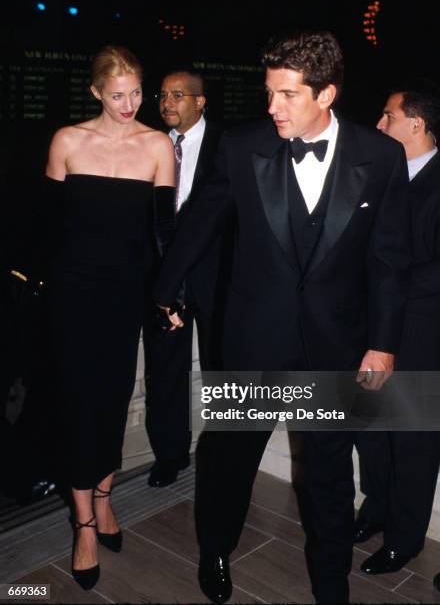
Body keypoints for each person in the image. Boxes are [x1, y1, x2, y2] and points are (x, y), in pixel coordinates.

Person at [154, 31, 411, 603]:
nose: (271, 107)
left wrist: (383, 344)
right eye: (269, 92)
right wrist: (165, 290)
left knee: (328, 475)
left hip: (337, 344)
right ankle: (215, 551)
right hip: (250, 338)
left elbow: (390, 260)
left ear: (327, 95)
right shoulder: (242, 147)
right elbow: (200, 221)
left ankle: (330, 585)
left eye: (287, 95)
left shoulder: (382, 156)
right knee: (229, 460)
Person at [45, 45, 174, 590]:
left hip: (126, 298)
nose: (129, 104)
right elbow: (46, 231)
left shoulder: (157, 145)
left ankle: (104, 500)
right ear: (96, 92)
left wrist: (170, 297)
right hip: (72, 298)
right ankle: (83, 526)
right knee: (77, 406)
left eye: (136, 93)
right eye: (117, 94)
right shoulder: (68, 142)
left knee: (114, 399)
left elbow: (164, 235)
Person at [355, 86, 440, 575]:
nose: (379, 123)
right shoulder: (379, 172)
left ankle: (404, 539)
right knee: (371, 429)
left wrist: (384, 278)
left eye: (388, 115)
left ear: (416, 124)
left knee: (412, 439)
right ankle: (376, 509)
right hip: (371, 328)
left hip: (422, 334)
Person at [144, 69, 226, 488]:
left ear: (200, 101)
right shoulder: (149, 144)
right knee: (164, 370)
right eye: (163, 94)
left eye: (178, 95)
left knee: (221, 367)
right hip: (163, 276)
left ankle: (224, 454)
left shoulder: (228, 145)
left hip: (216, 275)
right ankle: (170, 455)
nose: (167, 102)